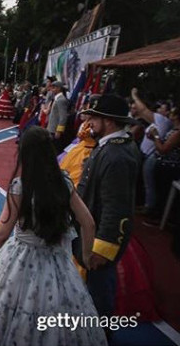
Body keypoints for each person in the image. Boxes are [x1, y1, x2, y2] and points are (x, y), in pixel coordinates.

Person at [0, 126, 106, 346]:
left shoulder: (20, 188)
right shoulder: (64, 184)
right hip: (57, 264)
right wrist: (85, 258)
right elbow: (89, 223)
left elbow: (0, 234)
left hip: (18, 261)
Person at [73, 94, 141, 320]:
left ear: (109, 121)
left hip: (100, 242)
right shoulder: (113, 147)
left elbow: (116, 208)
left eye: (95, 117)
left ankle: (100, 336)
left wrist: (101, 249)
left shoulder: (116, 156)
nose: (89, 121)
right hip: (92, 231)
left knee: (99, 296)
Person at [131, 88, 173, 217]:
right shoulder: (160, 121)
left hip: (151, 156)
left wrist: (134, 95)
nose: (159, 110)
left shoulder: (163, 120)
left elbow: (143, 110)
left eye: (162, 108)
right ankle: (145, 205)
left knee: (149, 184)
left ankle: (149, 208)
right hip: (146, 154)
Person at [46, 81, 69, 153]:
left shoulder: (61, 100)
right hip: (52, 128)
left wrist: (59, 130)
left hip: (55, 130)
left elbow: (63, 117)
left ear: (59, 88)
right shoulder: (57, 99)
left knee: (54, 150)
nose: (52, 90)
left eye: (53, 88)